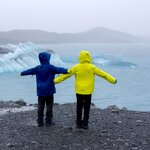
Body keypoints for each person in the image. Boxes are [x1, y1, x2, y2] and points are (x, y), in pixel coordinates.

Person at [54, 50, 117, 129]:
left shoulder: (76, 67)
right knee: (87, 107)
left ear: (80, 57)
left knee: (79, 106)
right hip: (88, 91)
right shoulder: (92, 67)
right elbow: (103, 74)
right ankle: (85, 124)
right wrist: (113, 80)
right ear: (88, 57)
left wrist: (54, 81)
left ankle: (78, 123)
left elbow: (65, 76)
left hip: (79, 90)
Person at [21, 52, 69, 127]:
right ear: (47, 58)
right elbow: (59, 69)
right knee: (49, 106)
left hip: (40, 91)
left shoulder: (38, 68)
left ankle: (40, 121)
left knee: (40, 106)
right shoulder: (50, 67)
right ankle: (48, 121)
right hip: (49, 91)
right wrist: (67, 70)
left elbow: (30, 71)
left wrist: (22, 73)